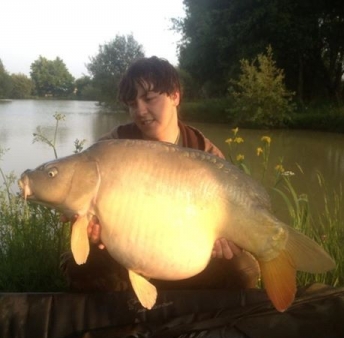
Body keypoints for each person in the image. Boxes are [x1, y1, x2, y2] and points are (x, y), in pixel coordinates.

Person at [60, 56, 260, 292]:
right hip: (126, 250)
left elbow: (229, 215)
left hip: (183, 252)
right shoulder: (112, 147)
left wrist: (225, 240)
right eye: (133, 103)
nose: (140, 110)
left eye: (149, 99)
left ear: (175, 95)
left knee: (244, 269)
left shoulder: (205, 153)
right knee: (81, 265)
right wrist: (91, 233)